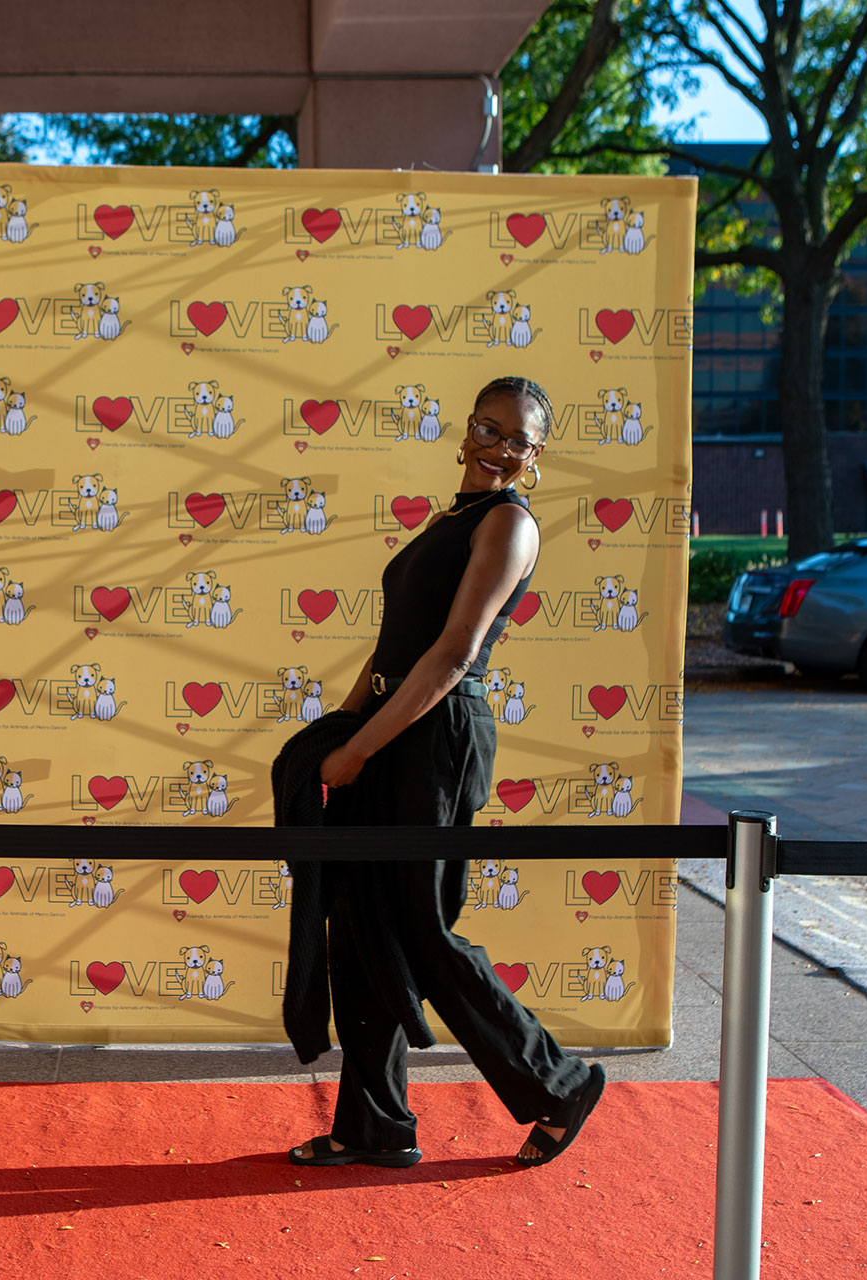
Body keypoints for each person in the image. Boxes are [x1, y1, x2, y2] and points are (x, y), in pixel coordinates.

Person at [283, 375, 605, 1170]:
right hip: (393, 723)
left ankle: (558, 1085)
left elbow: (455, 653)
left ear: (536, 454)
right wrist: (343, 726)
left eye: (518, 439)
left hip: (437, 737)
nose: (499, 447)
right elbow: (394, 645)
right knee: (361, 921)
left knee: (421, 927)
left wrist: (359, 748)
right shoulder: (452, 519)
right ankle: (373, 1126)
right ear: (466, 429)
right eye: (489, 428)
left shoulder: (509, 523)